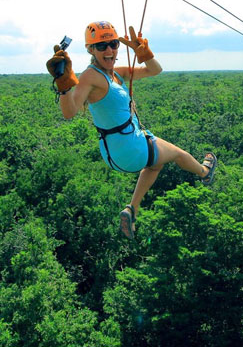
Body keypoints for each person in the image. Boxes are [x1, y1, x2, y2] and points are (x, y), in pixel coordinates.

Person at [46, 21, 217, 239]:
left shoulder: (115, 73)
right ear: (90, 49)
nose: (109, 50)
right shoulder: (90, 77)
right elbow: (70, 112)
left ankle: (132, 210)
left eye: (113, 44)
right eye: (101, 46)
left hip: (116, 151)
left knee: (155, 166)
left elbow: (155, 70)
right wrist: (63, 83)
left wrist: (143, 52)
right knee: (177, 153)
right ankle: (204, 173)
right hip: (130, 147)